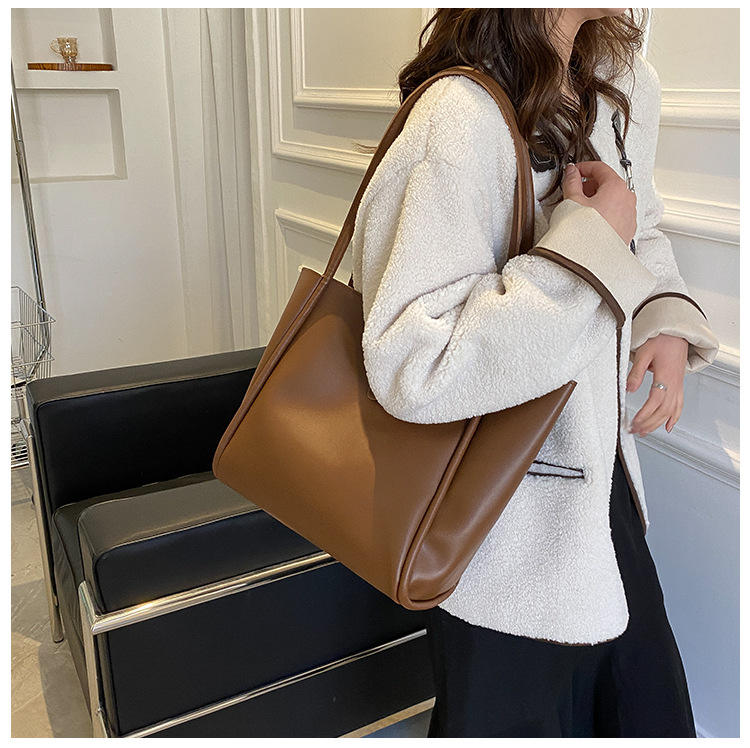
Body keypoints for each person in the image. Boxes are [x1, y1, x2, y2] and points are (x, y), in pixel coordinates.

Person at [348, 8, 720, 738]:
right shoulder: (457, 114)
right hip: (496, 527)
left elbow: (637, 226)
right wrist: (587, 252)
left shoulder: (623, 84)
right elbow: (415, 363)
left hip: (602, 488)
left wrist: (664, 320)